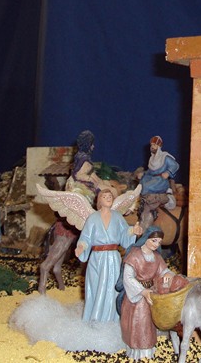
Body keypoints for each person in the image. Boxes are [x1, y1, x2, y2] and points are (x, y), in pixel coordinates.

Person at [75, 188, 142, 322]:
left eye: (110, 196)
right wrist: (81, 246)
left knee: (112, 287)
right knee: (96, 286)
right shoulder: (92, 218)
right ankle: (95, 317)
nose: (108, 198)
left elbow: (124, 233)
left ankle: (112, 318)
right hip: (97, 258)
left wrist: (132, 231)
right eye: (104, 196)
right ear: (99, 200)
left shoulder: (117, 216)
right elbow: (86, 237)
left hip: (113, 258)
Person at [119, 226, 174, 359]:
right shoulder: (135, 255)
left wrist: (168, 275)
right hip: (137, 297)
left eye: (159, 242)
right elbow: (128, 277)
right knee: (138, 324)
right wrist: (142, 291)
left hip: (151, 294)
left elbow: (163, 271)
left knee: (149, 326)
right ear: (146, 239)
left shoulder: (156, 257)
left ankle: (147, 352)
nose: (156, 245)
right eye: (154, 241)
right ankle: (137, 353)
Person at [137, 136, 179, 226]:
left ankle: (155, 201)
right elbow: (151, 171)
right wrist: (143, 174)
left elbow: (175, 165)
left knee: (147, 186)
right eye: (151, 145)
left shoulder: (165, 157)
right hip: (152, 178)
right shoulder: (152, 158)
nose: (152, 147)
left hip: (160, 180)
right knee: (142, 183)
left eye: (154, 145)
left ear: (159, 146)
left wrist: (168, 172)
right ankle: (143, 202)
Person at [66, 130, 112, 204]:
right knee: (112, 191)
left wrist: (99, 180)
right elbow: (78, 175)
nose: (93, 146)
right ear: (87, 145)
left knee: (107, 184)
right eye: (92, 144)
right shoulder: (83, 159)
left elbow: (90, 173)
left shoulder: (82, 156)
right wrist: (92, 180)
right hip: (85, 185)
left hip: (88, 181)